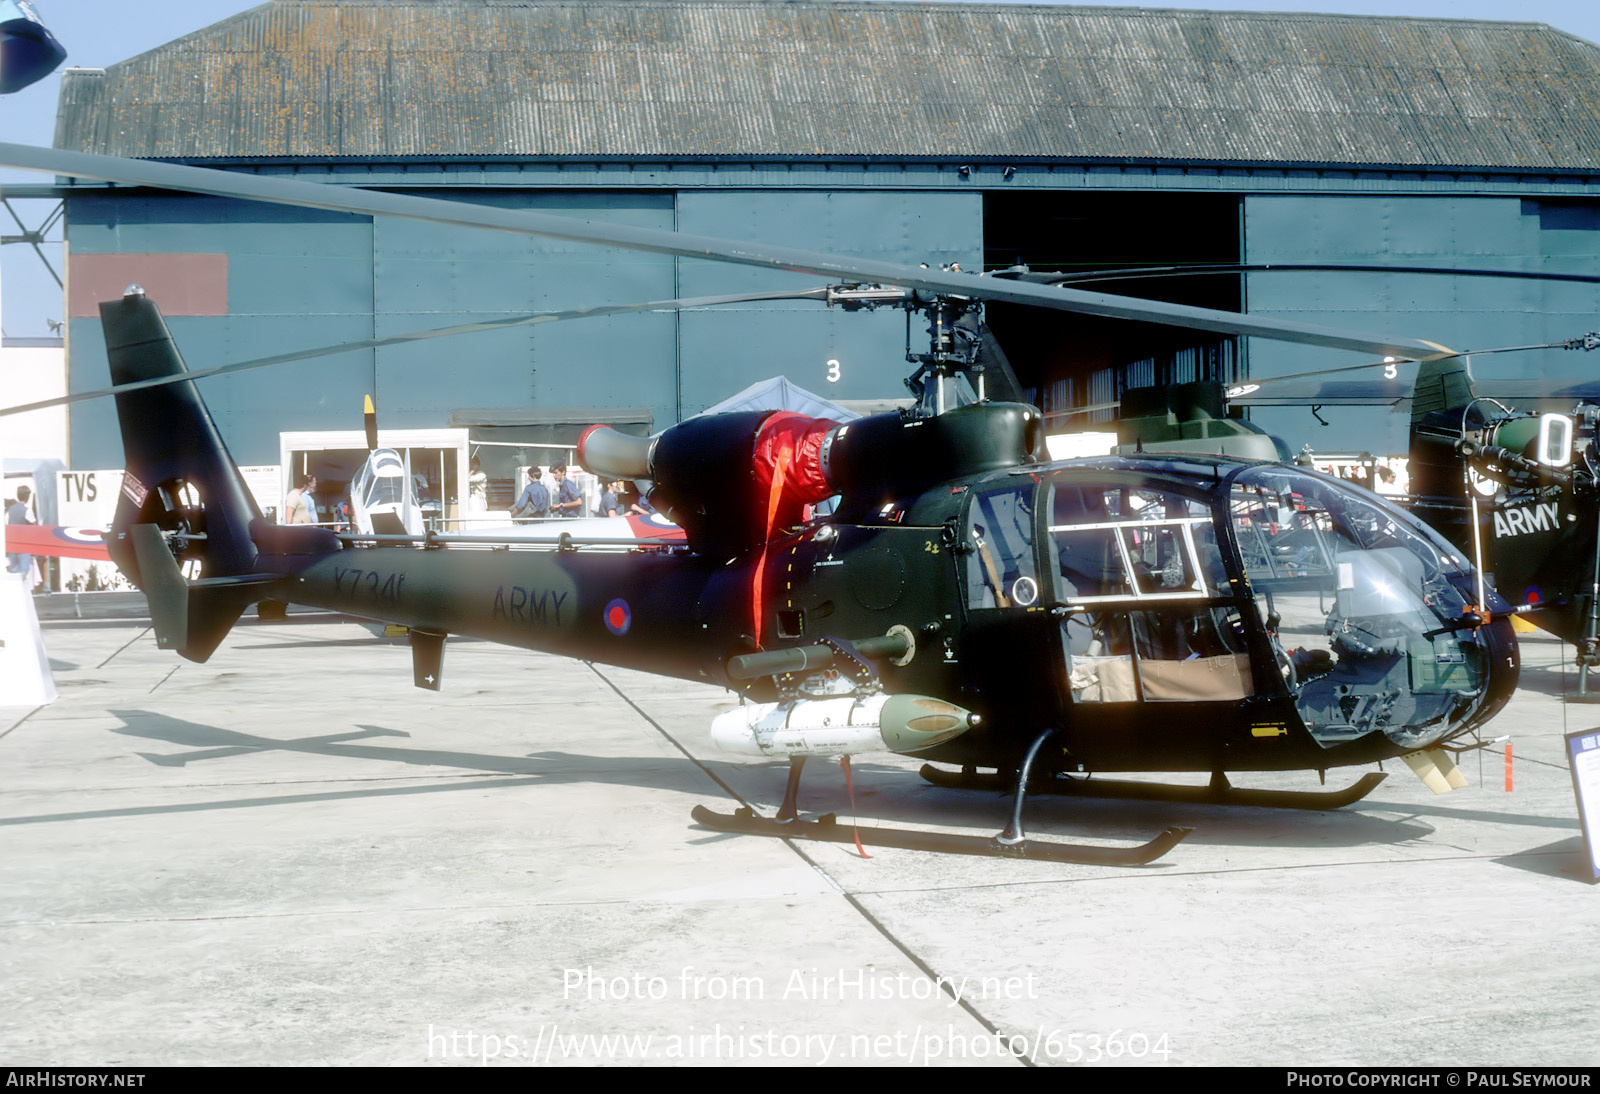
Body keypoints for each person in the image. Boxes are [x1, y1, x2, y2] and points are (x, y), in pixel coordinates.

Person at [7, 485, 37, 585]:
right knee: (25, 573)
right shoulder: (27, 511)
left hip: (12, 545)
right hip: (23, 546)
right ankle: (25, 591)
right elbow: (35, 527)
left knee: (13, 572)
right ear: (27, 496)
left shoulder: (10, 509)